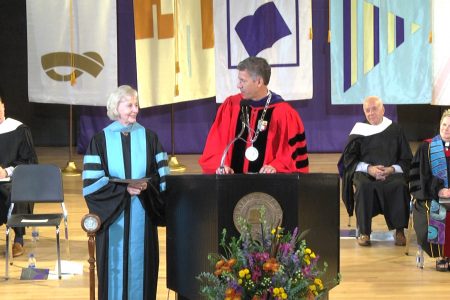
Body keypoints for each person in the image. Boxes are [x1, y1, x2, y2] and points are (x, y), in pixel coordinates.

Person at [82, 85, 169, 299]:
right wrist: (123, 191)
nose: (135, 109)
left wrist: (147, 186)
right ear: (116, 107)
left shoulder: (150, 138)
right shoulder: (100, 140)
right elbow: (92, 183)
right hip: (113, 220)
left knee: (142, 271)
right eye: (129, 105)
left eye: (136, 104)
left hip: (143, 215)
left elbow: (163, 177)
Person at [199, 56, 309, 174]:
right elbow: (216, 144)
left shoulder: (284, 113)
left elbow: (291, 154)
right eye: (239, 80)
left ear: (259, 82)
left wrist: (276, 166)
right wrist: (222, 165)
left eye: (243, 81)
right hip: (232, 183)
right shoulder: (231, 106)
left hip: (268, 186)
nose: (238, 85)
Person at [339, 96, 412, 246]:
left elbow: (406, 159)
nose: (371, 113)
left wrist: (391, 169)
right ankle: (364, 232)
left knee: (400, 185)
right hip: (366, 173)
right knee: (364, 186)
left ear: (383, 109)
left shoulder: (396, 129)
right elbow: (349, 160)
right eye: (367, 110)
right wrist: (369, 169)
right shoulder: (359, 131)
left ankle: (399, 230)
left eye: (374, 109)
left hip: (391, 174)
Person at [409, 109, 450, 271]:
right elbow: (417, 178)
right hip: (429, 196)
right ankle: (441, 255)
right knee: (437, 212)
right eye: (444, 125)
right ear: (439, 125)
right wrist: (439, 190)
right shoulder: (426, 148)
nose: (446, 129)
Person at [0, 95, 38, 257]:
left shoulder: (18, 129)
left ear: (4, 107)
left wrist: (7, 171)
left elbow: (29, 160)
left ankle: (18, 238)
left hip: (14, 178)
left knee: (15, 191)